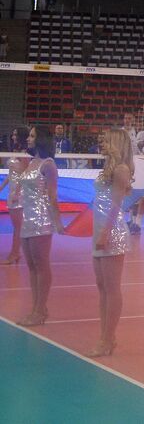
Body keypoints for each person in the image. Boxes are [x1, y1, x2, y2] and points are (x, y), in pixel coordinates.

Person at [90, 128, 134, 357]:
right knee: (102, 287)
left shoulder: (121, 169)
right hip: (100, 229)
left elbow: (116, 206)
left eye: (106, 140)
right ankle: (106, 335)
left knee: (111, 287)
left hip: (112, 231)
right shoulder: (107, 168)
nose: (102, 143)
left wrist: (105, 233)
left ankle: (107, 338)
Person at [15, 126, 59, 326]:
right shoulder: (32, 162)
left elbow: (52, 196)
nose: (29, 139)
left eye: (32, 136)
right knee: (31, 266)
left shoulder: (48, 165)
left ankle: (40, 309)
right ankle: (36, 307)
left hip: (41, 220)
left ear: (40, 138)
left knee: (41, 265)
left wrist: (57, 221)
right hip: (28, 218)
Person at [3, 143, 26, 265]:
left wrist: (17, 193)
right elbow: (11, 173)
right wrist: (2, 187)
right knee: (16, 226)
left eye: (16, 135)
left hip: (19, 193)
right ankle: (15, 253)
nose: (13, 137)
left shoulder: (25, 153)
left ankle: (15, 253)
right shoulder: (15, 151)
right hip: (12, 191)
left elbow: (24, 174)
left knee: (18, 227)